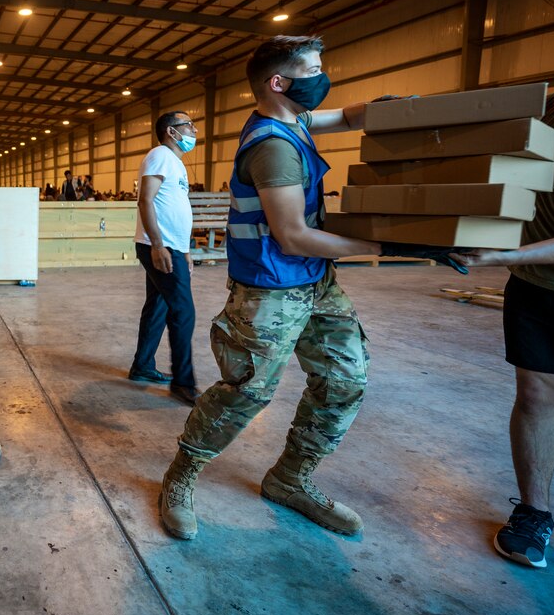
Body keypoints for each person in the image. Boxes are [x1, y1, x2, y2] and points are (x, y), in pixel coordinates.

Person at [156, 35, 462, 541]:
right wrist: (396, 247)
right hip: (270, 290)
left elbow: (341, 117)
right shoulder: (273, 147)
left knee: (345, 379)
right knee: (246, 393)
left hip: (317, 283)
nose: (323, 79)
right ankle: (179, 478)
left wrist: (381, 110)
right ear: (280, 83)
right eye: (314, 70)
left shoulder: (291, 118)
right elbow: (294, 235)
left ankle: (290, 479)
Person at [451, 94, 554, 569]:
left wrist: (504, 256)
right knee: (536, 395)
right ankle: (535, 512)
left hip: (523, 264)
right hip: (537, 284)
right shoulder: (545, 111)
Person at [129, 112, 199, 405]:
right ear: (172, 131)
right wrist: (158, 244)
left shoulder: (175, 162)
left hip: (171, 246)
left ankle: (143, 366)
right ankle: (183, 382)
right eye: (189, 126)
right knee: (184, 312)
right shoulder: (160, 155)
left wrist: (185, 250)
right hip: (159, 246)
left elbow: (174, 207)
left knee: (158, 306)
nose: (194, 130)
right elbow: (145, 199)